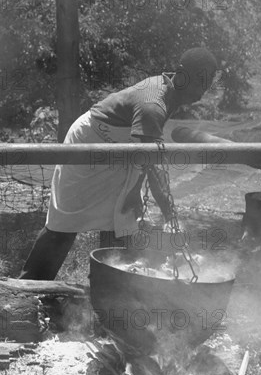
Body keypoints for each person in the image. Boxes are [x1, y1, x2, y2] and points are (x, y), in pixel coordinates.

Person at [19, 47, 218, 280]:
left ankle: (111, 289)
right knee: (63, 224)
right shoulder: (153, 104)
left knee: (122, 220)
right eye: (199, 85)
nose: (201, 95)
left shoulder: (170, 93)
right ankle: (30, 288)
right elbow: (154, 164)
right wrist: (170, 217)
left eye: (206, 88)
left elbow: (145, 152)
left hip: (122, 151)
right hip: (88, 145)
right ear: (182, 75)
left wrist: (134, 190)